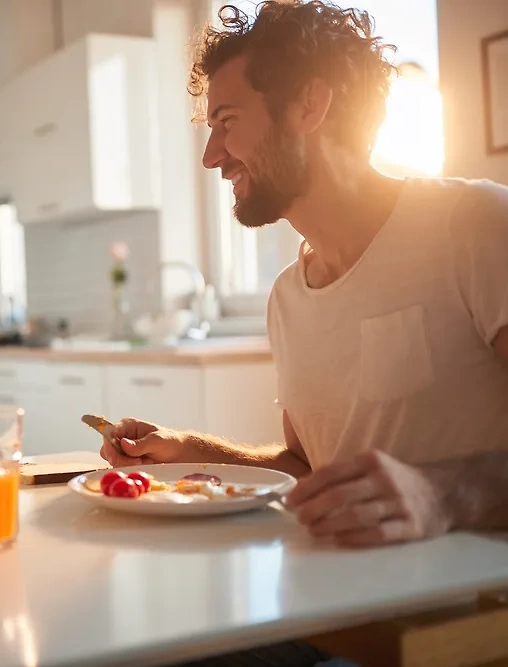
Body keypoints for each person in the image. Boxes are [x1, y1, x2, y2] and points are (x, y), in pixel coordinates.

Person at [100, 0, 508, 549]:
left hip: (462, 618)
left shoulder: (475, 226)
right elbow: (308, 467)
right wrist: (189, 448)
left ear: (310, 104)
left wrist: (439, 495)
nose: (211, 156)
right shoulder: (288, 296)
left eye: (227, 122)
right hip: (330, 602)